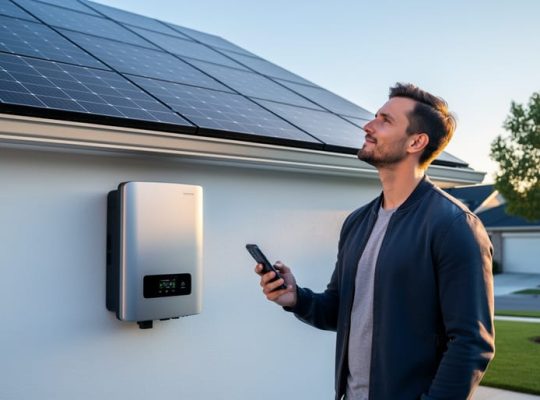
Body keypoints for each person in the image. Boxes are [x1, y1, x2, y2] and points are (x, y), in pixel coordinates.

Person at [255, 83, 495, 400]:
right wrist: (295, 298)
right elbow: (339, 308)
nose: (368, 127)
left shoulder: (454, 226)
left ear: (416, 142)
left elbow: (471, 342)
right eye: (375, 117)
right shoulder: (357, 222)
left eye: (385, 120)